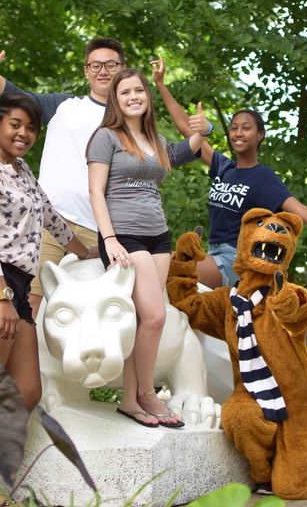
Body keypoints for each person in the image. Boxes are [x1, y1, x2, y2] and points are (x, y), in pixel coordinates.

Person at [0, 92, 93, 506]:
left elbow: (52, 219)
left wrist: (91, 252)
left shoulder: (25, 173)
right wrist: (2, 294)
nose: (23, 133)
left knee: (27, 389)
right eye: (15, 124)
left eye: (31, 128)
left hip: (17, 287)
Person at [152, 57, 307, 288]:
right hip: (210, 254)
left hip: (234, 261)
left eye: (246, 128)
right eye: (234, 128)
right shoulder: (223, 167)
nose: (238, 133)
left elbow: (301, 210)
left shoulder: (264, 179)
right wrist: (161, 84)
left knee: (167, 264)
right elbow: (186, 128)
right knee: (158, 267)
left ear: (259, 135)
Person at [86, 68, 200, 428]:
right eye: (125, 93)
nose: (133, 96)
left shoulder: (155, 140)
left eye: (139, 91)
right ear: (116, 100)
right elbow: (95, 192)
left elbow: (188, 148)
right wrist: (109, 239)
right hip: (123, 237)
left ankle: (130, 400)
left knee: (141, 323)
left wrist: (204, 129)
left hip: (158, 237)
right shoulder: (106, 137)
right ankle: (149, 393)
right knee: (155, 316)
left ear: (146, 97)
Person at [0, 38, 124, 317]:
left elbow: (165, 153)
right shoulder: (64, 105)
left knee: (102, 313)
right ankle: (25, 363)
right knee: (30, 303)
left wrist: (203, 132)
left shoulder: (132, 119)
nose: (103, 70)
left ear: (122, 68)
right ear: (86, 70)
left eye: (111, 64)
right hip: (50, 224)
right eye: (96, 64)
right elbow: (13, 95)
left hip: (104, 231)